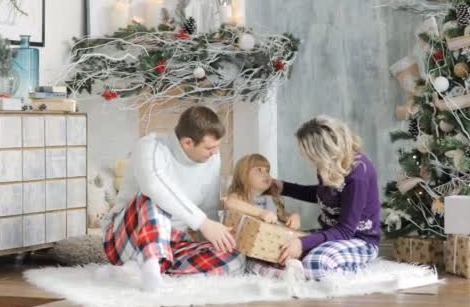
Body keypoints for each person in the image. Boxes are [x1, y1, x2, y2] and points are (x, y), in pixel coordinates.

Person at [101, 106, 244, 291]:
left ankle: (137, 270)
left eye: (217, 146)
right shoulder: (150, 146)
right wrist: (204, 223)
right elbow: (154, 187)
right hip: (126, 238)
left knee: (234, 259)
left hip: (172, 242)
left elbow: (208, 208)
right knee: (154, 196)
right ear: (187, 143)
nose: (216, 152)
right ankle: (149, 267)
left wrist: (215, 238)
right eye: (210, 147)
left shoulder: (212, 160)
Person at [275, 115, 382, 280]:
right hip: (331, 234)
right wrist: (284, 187)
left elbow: (346, 230)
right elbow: (324, 196)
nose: (306, 158)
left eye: (308, 154)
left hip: (359, 240)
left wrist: (302, 243)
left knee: (315, 263)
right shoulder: (326, 165)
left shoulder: (358, 174)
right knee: (280, 247)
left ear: (323, 152)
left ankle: (353, 268)